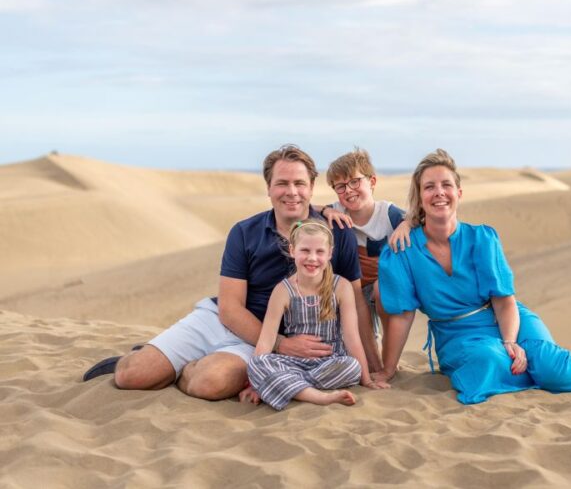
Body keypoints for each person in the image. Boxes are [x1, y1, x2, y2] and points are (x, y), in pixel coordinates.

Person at [376, 149, 571, 405]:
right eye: (429, 186)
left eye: (445, 185)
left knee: (546, 362)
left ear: (459, 192)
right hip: (458, 335)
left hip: (509, 319)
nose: (438, 193)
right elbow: (402, 317)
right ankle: (545, 372)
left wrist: (510, 341)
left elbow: (504, 301)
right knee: (488, 363)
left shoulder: (482, 239)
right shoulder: (402, 250)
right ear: (419, 196)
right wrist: (388, 369)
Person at [83, 145, 383, 400]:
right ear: (268, 188)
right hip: (224, 320)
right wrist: (282, 344)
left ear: (311, 188)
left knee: (209, 382)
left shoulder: (336, 231)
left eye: (299, 184)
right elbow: (229, 308)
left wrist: (372, 366)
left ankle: (187, 367)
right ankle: (145, 357)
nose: (291, 192)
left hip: (262, 339)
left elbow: (355, 302)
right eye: (282, 183)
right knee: (132, 376)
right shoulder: (244, 232)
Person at [241, 220, 390, 409]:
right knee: (257, 364)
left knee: (352, 367)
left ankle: (288, 387)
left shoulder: (341, 287)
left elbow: (352, 339)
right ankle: (319, 397)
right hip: (293, 362)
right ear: (293, 250)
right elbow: (266, 341)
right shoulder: (283, 290)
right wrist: (255, 383)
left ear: (330, 253)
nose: (312, 258)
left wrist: (367, 380)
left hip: (330, 362)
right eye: (305, 250)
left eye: (320, 252)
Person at [318, 148, 410, 355]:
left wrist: (406, 224)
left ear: (372, 181)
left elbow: (416, 219)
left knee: (382, 294)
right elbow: (307, 208)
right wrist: (325, 210)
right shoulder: (336, 211)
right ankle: (370, 355)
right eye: (340, 186)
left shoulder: (388, 213)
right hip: (354, 287)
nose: (348, 190)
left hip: (382, 286)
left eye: (354, 181)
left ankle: (388, 354)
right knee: (360, 331)